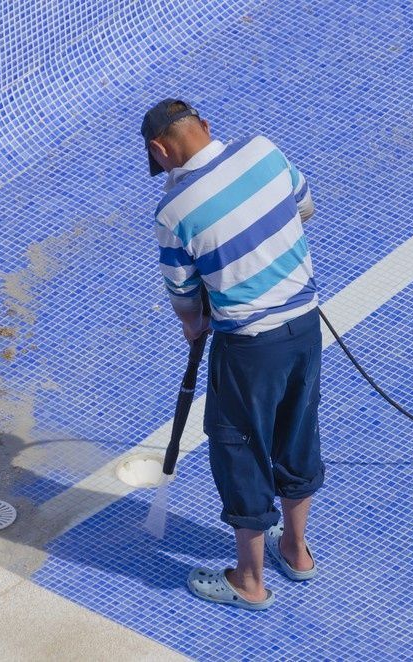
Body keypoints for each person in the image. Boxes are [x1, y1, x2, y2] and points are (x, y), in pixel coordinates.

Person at [141, 99, 324, 610]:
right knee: (297, 434)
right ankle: (296, 551)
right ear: (204, 126)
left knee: (239, 450)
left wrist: (196, 324)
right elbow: (304, 208)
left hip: (248, 348)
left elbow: (187, 302)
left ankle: (249, 581)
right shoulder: (264, 151)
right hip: (306, 327)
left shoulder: (173, 212)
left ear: (160, 150)